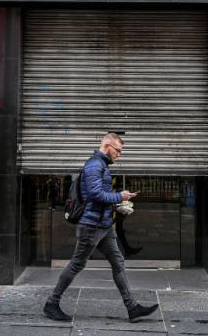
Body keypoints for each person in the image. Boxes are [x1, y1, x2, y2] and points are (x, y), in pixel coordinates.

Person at [43, 133, 159, 323]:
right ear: (107, 146)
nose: (119, 154)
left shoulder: (102, 165)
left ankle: (132, 308)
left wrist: (117, 206)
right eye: (118, 150)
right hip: (91, 226)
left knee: (118, 262)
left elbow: (99, 198)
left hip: (104, 225)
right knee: (77, 264)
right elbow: (95, 195)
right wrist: (120, 196)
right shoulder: (95, 165)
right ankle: (51, 303)